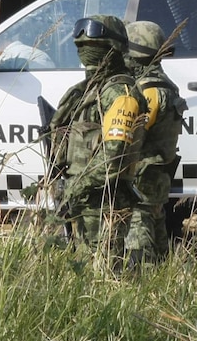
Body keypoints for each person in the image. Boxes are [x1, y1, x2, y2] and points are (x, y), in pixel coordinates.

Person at [48, 15, 147, 264]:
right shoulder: (87, 90)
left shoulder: (121, 94)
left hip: (105, 202)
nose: (84, 52)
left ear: (112, 49)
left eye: (92, 47)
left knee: (105, 269)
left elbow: (113, 157)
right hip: (82, 200)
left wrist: (76, 186)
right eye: (80, 46)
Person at [124, 21, 187, 263]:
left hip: (143, 178)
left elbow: (134, 133)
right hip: (159, 175)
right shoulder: (167, 85)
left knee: (138, 241)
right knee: (158, 233)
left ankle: (139, 284)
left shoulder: (148, 90)